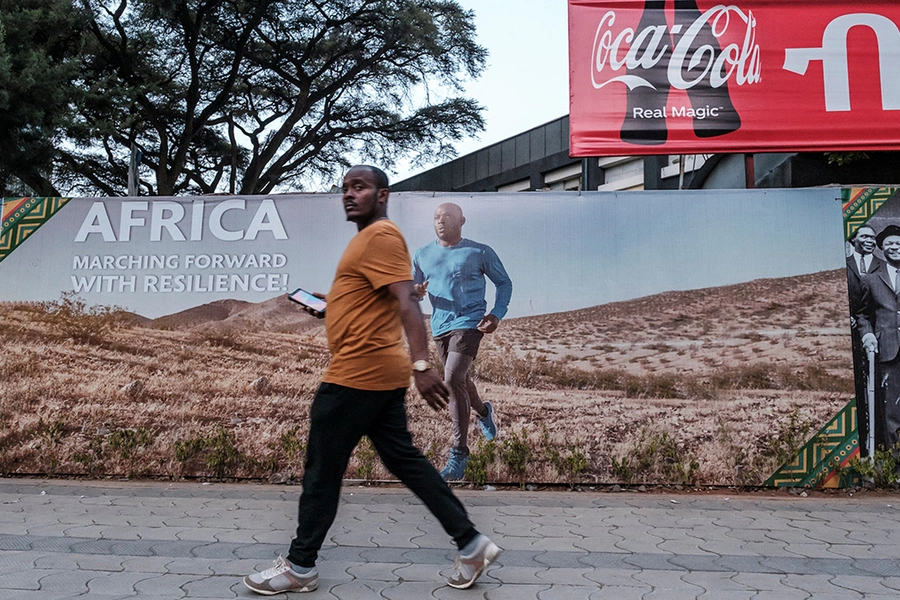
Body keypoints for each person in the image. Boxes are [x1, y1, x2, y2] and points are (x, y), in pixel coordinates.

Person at [243, 166, 501, 594]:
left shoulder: (380, 237)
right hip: (377, 376)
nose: (349, 194)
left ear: (382, 195)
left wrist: (422, 365)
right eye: (344, 188)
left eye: (359, 187)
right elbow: (378, 300)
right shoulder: (367, 241)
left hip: (355, 376)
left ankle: (301, 565)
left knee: (322, 472)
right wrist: (328, 307)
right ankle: (471, 544)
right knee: (409, 464)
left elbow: (406, 303)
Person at [413, 202, 512, 481]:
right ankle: (483, 411)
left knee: (452, 376)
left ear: (462, 220)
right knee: (461, 381)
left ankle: (458, 453)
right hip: (440, 327)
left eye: (447, 216)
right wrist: (417, 291)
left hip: (470, 322)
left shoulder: (479, 251)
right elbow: (413, 289)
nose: (441, 221)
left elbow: (504, 283)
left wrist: (496, 314)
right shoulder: (422, 254)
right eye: (436, 217)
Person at [858, 224, 900, 455]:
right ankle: (895, 469)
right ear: (882, 249)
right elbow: (862, 313)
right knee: (891, 412)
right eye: (890, 244)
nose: (895, 248)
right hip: (888, 350)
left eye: (899, 243)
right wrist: (868, 334)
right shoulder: (872, 280)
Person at [846, 224, 882, 456]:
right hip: (849, 334)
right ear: (854, 239)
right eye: (865, 236)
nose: (870, 240)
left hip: (875, 335)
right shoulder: (844, 264)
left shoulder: (883, 265)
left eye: (872, 237)